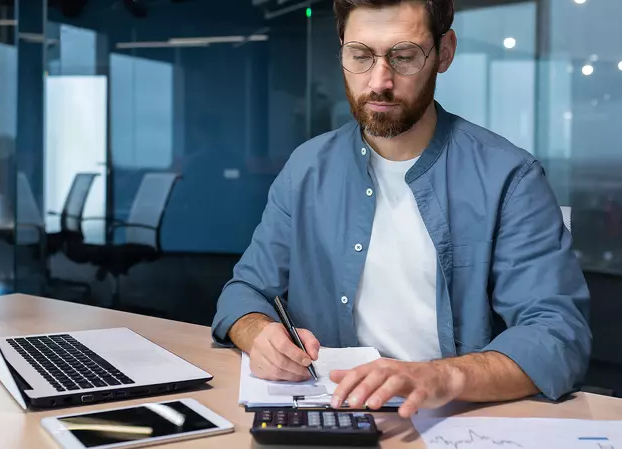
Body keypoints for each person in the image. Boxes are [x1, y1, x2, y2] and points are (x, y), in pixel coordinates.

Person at [211, 0, 591, 418]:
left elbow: (557, 336)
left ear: (444, 53)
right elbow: (244, 292)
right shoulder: (307, 167)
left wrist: (439, 377)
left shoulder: (510, 177)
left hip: (452, 417)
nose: (379, 81)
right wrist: (258, 332)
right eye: (359, 55)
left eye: (404, 57)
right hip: (330, 412)